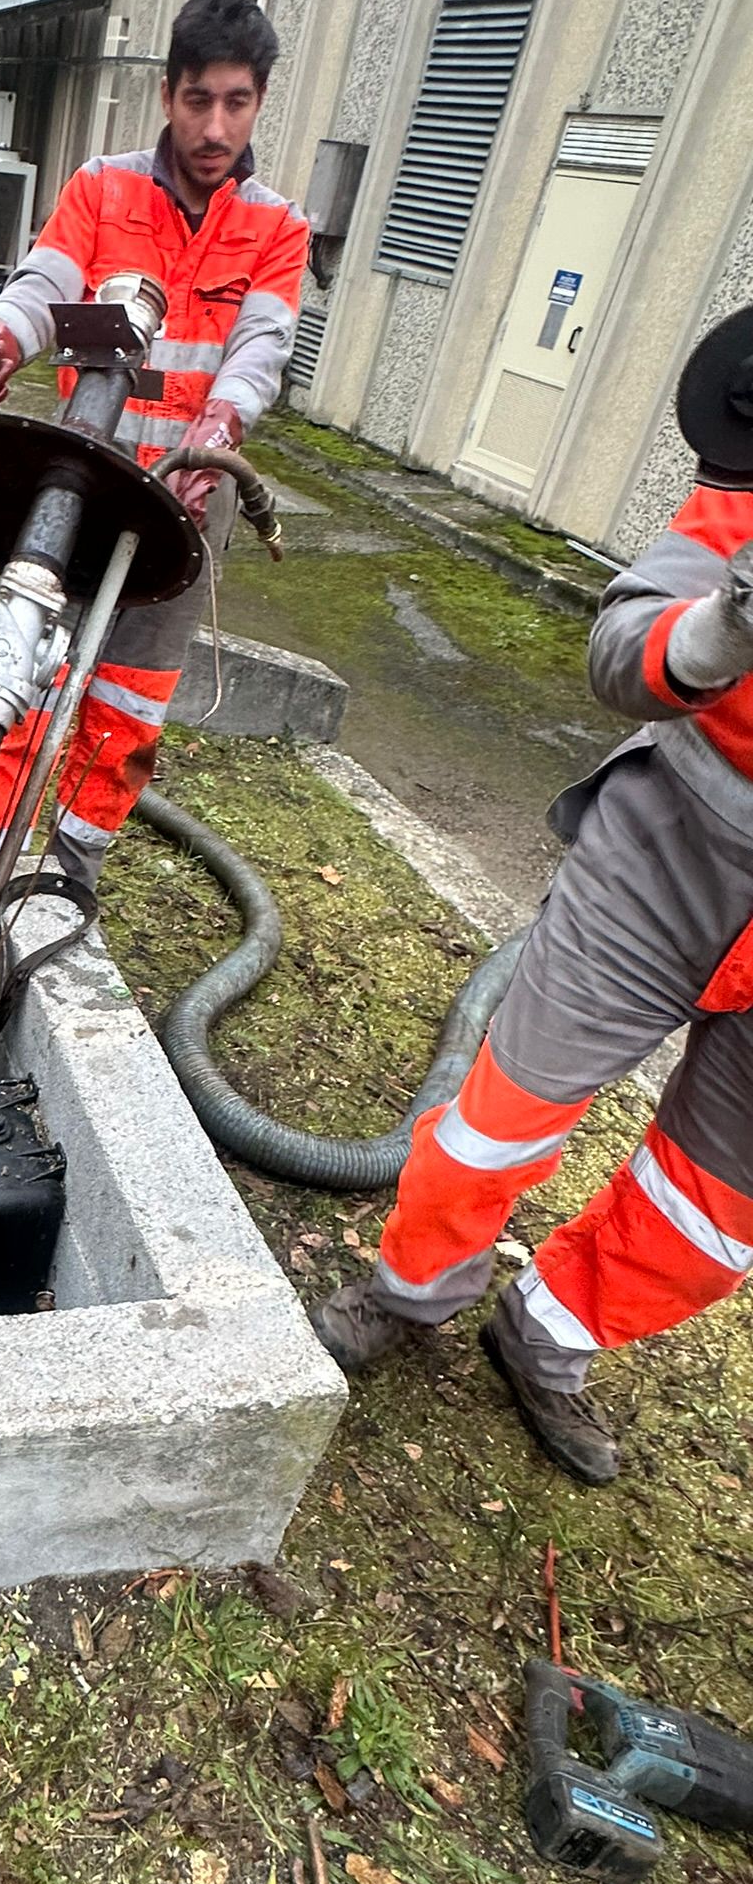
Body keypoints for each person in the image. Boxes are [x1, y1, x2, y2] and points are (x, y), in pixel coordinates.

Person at [311, 426, 753, 1489]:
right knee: (495, 1123)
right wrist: (728, 626)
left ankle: (545, 1335)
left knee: (715, 1210)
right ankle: (411, 1291)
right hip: (670, 855)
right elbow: (625, 650)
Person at [0, 0, 308, 890]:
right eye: (196, 100)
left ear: (259, 101)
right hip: (78, 486)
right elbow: (41, 285)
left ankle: (66, 880)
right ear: (168, 95)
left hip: (188, 500)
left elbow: (260, 347)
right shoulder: (102, 190)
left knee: (127, 704)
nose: (214, 126)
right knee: (20, 667)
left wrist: (216, 433)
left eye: (236, 102)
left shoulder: (278, 229)